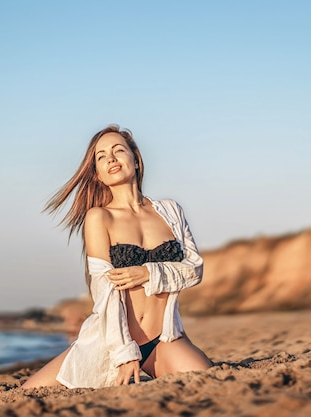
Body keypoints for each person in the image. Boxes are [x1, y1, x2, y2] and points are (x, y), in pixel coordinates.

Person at [23, 125, 212, 389]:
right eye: (101, 156)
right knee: (29, 392)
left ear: (135, 159)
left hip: (165, 339)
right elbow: (105, 291)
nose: (111, 158)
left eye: (118, 150)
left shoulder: (170, 210)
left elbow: (194, 269)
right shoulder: (99, 217)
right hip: (110, 343)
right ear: (98, 174)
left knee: (207, 382)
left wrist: (148, 273)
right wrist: (124, 352)